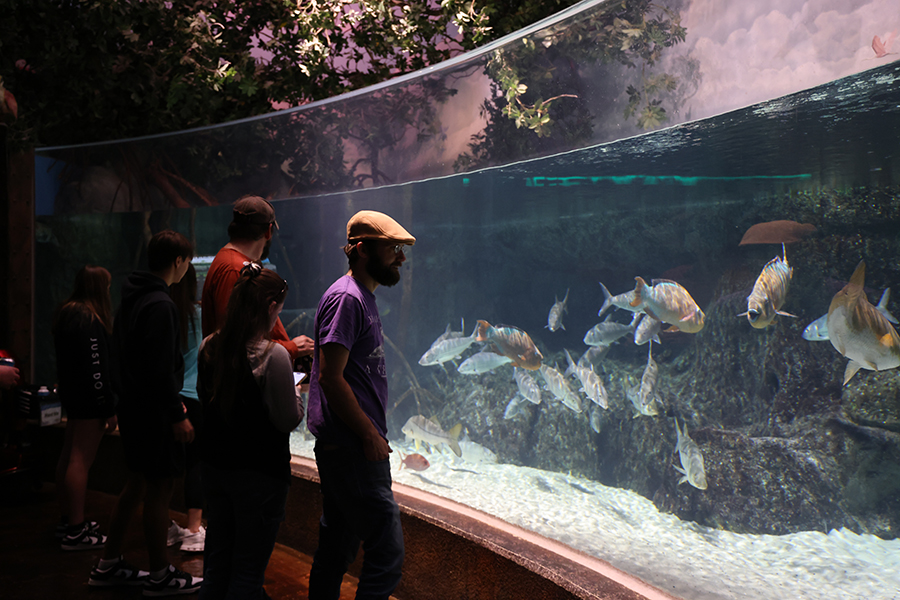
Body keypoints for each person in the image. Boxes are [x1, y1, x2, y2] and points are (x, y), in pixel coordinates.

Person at [306, 210, 415, 600]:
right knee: (386, 554)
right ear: (362, 250)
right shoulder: (347, 299)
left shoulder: (360, 297)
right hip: (352, 448)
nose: (401, 258)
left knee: (336, 549)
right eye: (393, 249)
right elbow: (330, 377)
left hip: (347, 446)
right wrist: (369, 433)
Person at [89, 230, 202, 596]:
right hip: (154, 415)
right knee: (160, 489)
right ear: (178, 262)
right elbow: (159, 369)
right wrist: (176, 414)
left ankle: (107, 563)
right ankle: (160, 575)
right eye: (187, 261)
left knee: (135, 484)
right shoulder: (161, 304)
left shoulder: (132, 297)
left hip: (134, 409)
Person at [196, 262, 303, 599]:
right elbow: (286, 419)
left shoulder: (209, 347)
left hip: (216, 471)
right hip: (260, 477)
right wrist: (299, 394)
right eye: (280, 309)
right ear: (271, 307)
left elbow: (206, 401)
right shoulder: (274, 357)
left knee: (217, 564)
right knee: (247, 572)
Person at [52, 265, 117, 550]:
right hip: (90, 399)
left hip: (72, 395)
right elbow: (97, 369)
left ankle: (67, 520)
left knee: (68, 456)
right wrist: (108, 406)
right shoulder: (89, 318)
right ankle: (77, 530)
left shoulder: (67, 312)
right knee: (80, 460)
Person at [201, 195, 313, 360]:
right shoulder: (234, 270)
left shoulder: (235, 263)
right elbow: (236, 342)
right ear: (268, 231)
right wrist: (290, 349)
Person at [166, 262, 206, 554]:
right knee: (196, 464)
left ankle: (165, 523)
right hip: (195, 396)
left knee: (168, 465)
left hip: (169, 397)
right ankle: (194, 529)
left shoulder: (167, 315)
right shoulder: (200, 315)